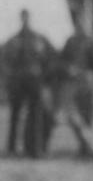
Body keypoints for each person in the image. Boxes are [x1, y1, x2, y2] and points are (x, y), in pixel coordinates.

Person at [58, 0, 93, 161]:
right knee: (73, 117)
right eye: (79, 20)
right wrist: (68, 69)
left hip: (90, 85)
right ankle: (91, 148)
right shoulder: (71, 41)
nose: (82, 23)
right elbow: (61, 61)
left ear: (90, 21)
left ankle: (89, 150)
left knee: (88, 119)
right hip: (73, 85)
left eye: (85, 19)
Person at [2, 9, 55, 158]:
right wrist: (10, 75)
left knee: (36, 115)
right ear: (20, 19)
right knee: (15, 115)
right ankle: (12, 148)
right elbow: (4, 60)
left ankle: (35, 148)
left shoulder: (40, 39)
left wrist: (44, 77)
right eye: (23, 18)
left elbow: (51, 58)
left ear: (31, 19)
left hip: (35, 81)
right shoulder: (13, 40)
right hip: (18, 82)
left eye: (28, 18)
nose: (25, 21)